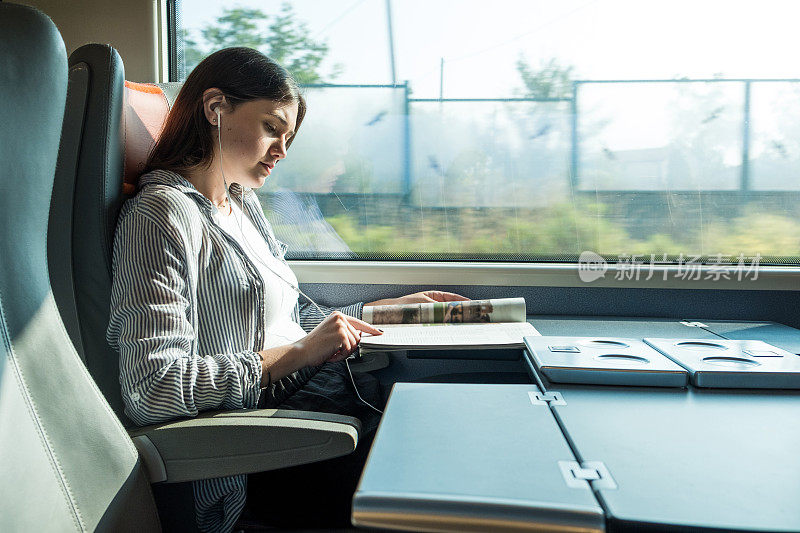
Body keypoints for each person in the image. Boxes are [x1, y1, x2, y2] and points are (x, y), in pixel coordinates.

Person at [106, 47, 467, 533]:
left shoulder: (241, 205)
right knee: (443, 477)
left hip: (314, 395)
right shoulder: (162, 216)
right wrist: (299, 353)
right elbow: (153, 389)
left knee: (451, 422)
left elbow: (287, 320)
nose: (282, 151)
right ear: (215, 108)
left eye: (289, 137)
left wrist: (379, 311)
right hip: (263, 442)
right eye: (273, 128)